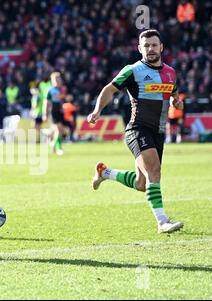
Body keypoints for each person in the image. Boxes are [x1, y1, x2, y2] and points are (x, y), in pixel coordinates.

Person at [87, 29, 184, 234]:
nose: (150, 49)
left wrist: (177, 100)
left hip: (158, 133)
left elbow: (174, 92)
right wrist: (97, 110)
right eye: (146, 46)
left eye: (154, 45)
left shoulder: (170, 72)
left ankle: (105, 173)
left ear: (161, 47)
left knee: (142, 183)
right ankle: (162, 221)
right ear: (140, 48)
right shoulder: (133, 70)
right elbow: (109, 89)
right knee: (154, 171)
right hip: (137, 129)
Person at [45, 72, 68, 155]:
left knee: (60, 131)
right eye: (55, 79)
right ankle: (58, 148)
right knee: (58, 129)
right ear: (52, 80)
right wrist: (45, 114)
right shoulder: (50, 90)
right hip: (53, 111)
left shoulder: (61, 90)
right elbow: (46, 102)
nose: (58, 81)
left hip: (60, 111)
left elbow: (62, 101)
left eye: (58, 79)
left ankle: (54, 146)